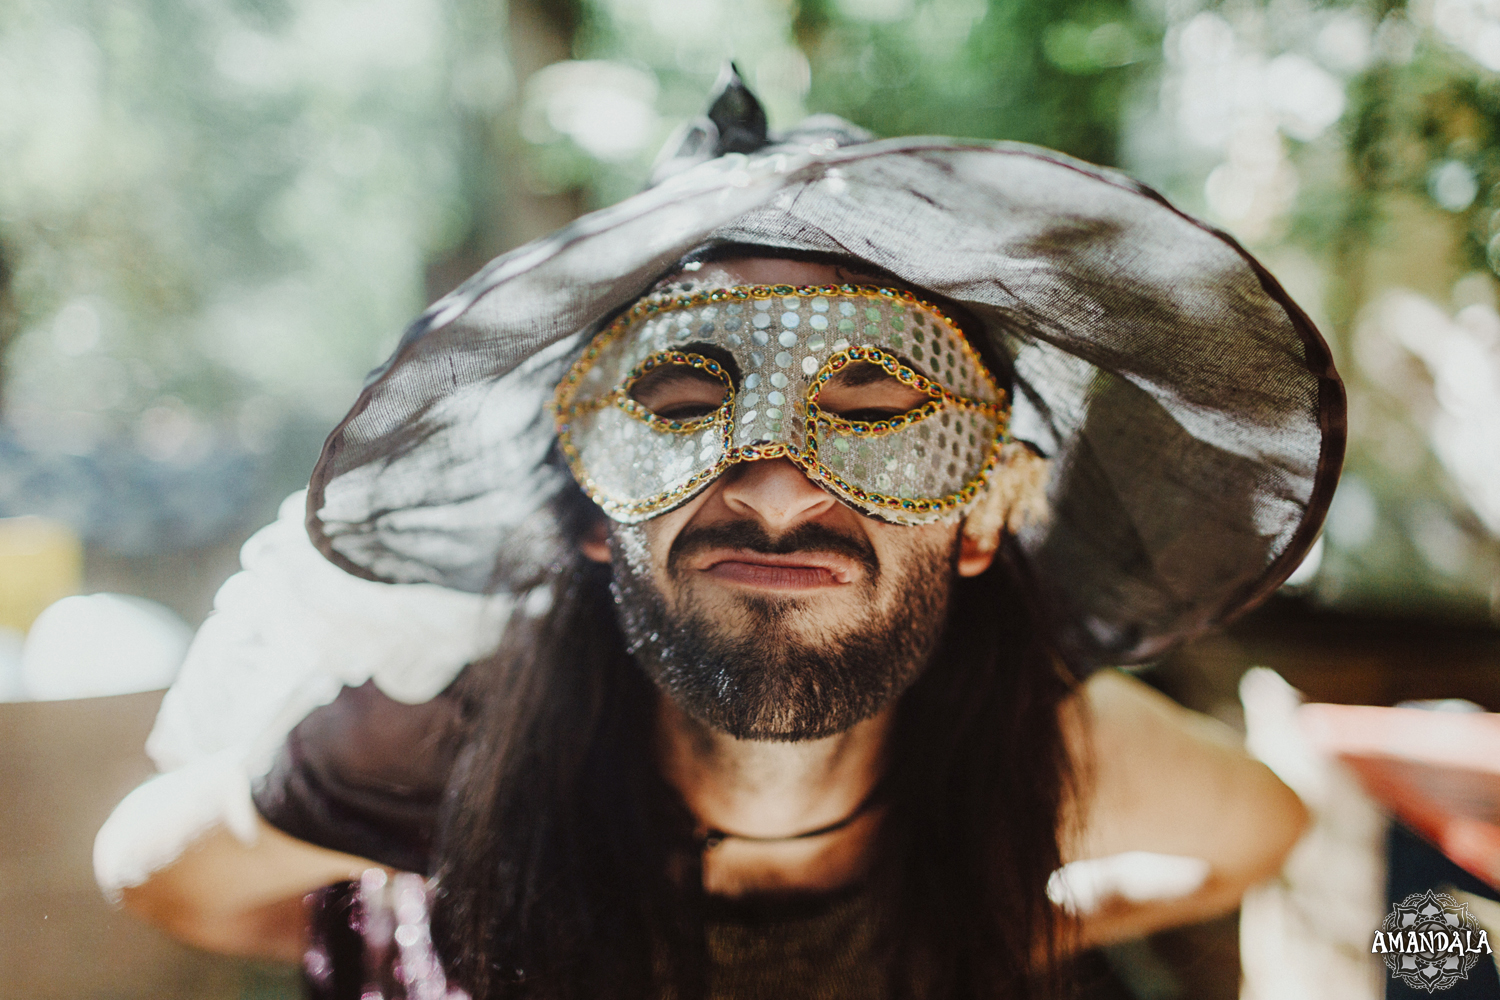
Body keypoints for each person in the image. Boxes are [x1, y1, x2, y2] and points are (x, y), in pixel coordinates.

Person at [97, 71, 1344, 999]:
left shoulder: (1041, 744)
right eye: (683, 407)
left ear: (985, 512)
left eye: (876, 410)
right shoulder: (448, 741)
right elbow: (156, 875)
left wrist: (1011, 916)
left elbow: (1263, 831)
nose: (780, 488)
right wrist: (407, 910)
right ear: (590, 505)